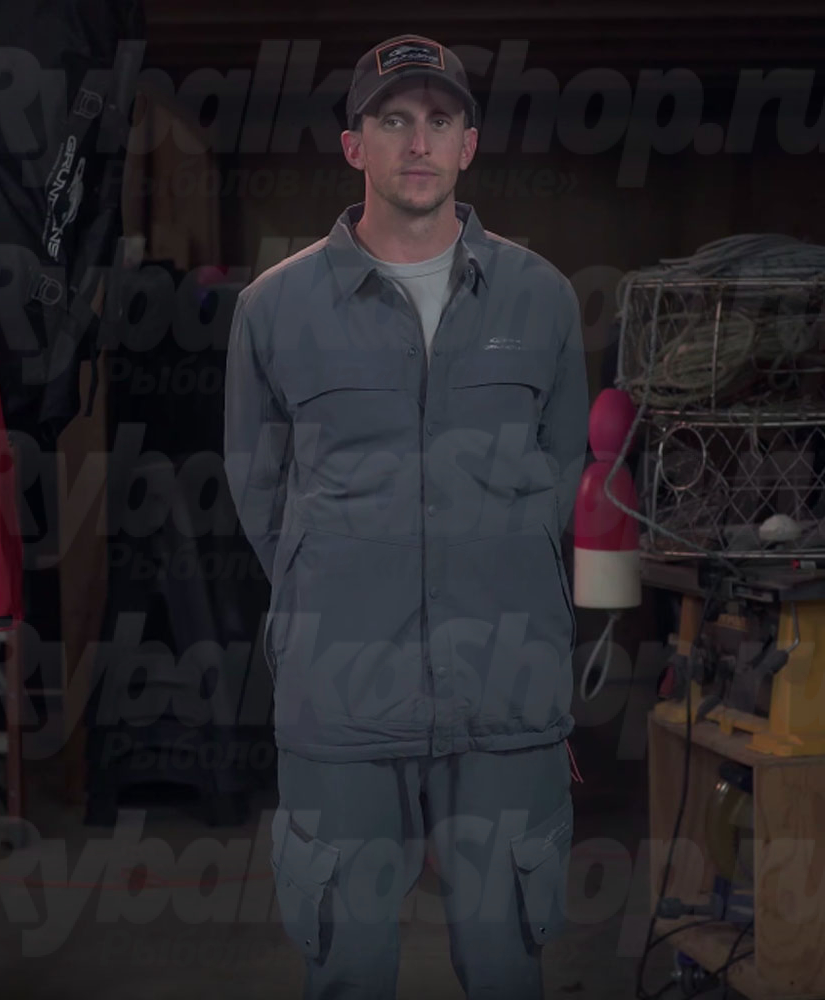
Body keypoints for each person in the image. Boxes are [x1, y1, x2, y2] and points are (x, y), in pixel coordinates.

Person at [225, 33, 589, 1000]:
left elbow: (560, 474)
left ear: (469, 143)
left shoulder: (543, 299)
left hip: (504, 696)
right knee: (348, 968)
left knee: (507, 965)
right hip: (341, 696)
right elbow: (260, 488)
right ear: (355, 146)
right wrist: (338, 580)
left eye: (439, 120)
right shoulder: (274, 309)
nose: (417, 142)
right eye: (393, 120)